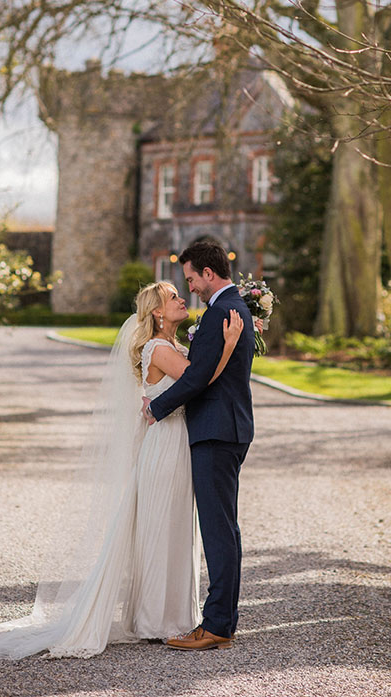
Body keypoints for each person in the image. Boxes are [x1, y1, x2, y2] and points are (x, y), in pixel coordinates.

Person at [0, 280, 242, 660]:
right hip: (165, 448)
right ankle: (157, 620)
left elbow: (193, 377)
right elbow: (199, 381)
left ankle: (168, 615)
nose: (180, 299)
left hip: (175, 445)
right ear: (157, 311)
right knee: (161, 526)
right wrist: (231, 345)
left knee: (174, 528)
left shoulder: (173, 346)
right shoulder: (158, 348)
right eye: (172, 296)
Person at [142, 239, 255, 651]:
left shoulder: (222, 312)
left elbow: (197, 377)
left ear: (209, 274)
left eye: (191, 278)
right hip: (225, 429)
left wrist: (157, 407)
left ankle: (218, 624)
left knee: (218, 531)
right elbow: (208, 371)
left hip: (216, 431)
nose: (189, 287)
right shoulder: (231, 310)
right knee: (224, 528)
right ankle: (222, 621)